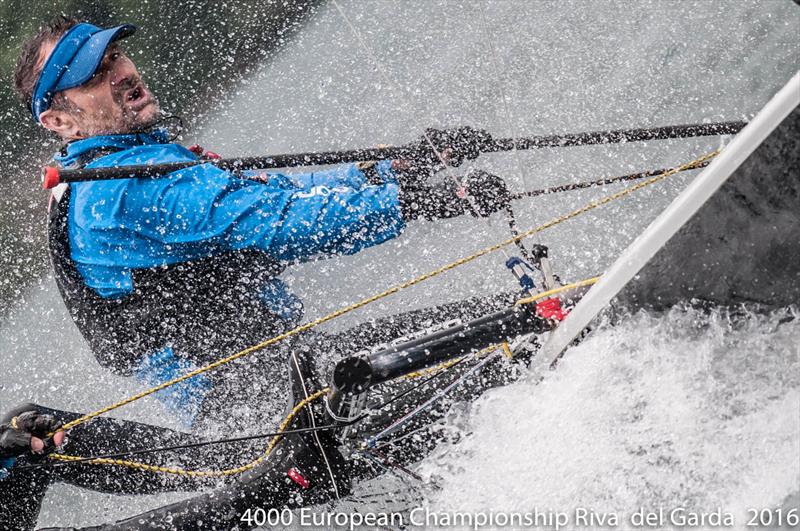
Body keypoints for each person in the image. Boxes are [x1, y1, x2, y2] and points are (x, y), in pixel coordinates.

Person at [10, 16, 513, 430]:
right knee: (515, 331)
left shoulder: (130, 161)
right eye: (95, 75)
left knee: (504, 331)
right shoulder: (120, 193)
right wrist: (415, 201)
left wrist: (397, 169)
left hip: (288, 373)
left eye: (115, 56)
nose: (120, 71)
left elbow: (274, 194)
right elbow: (281, 222)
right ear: (59, 121)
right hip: (259, 408)